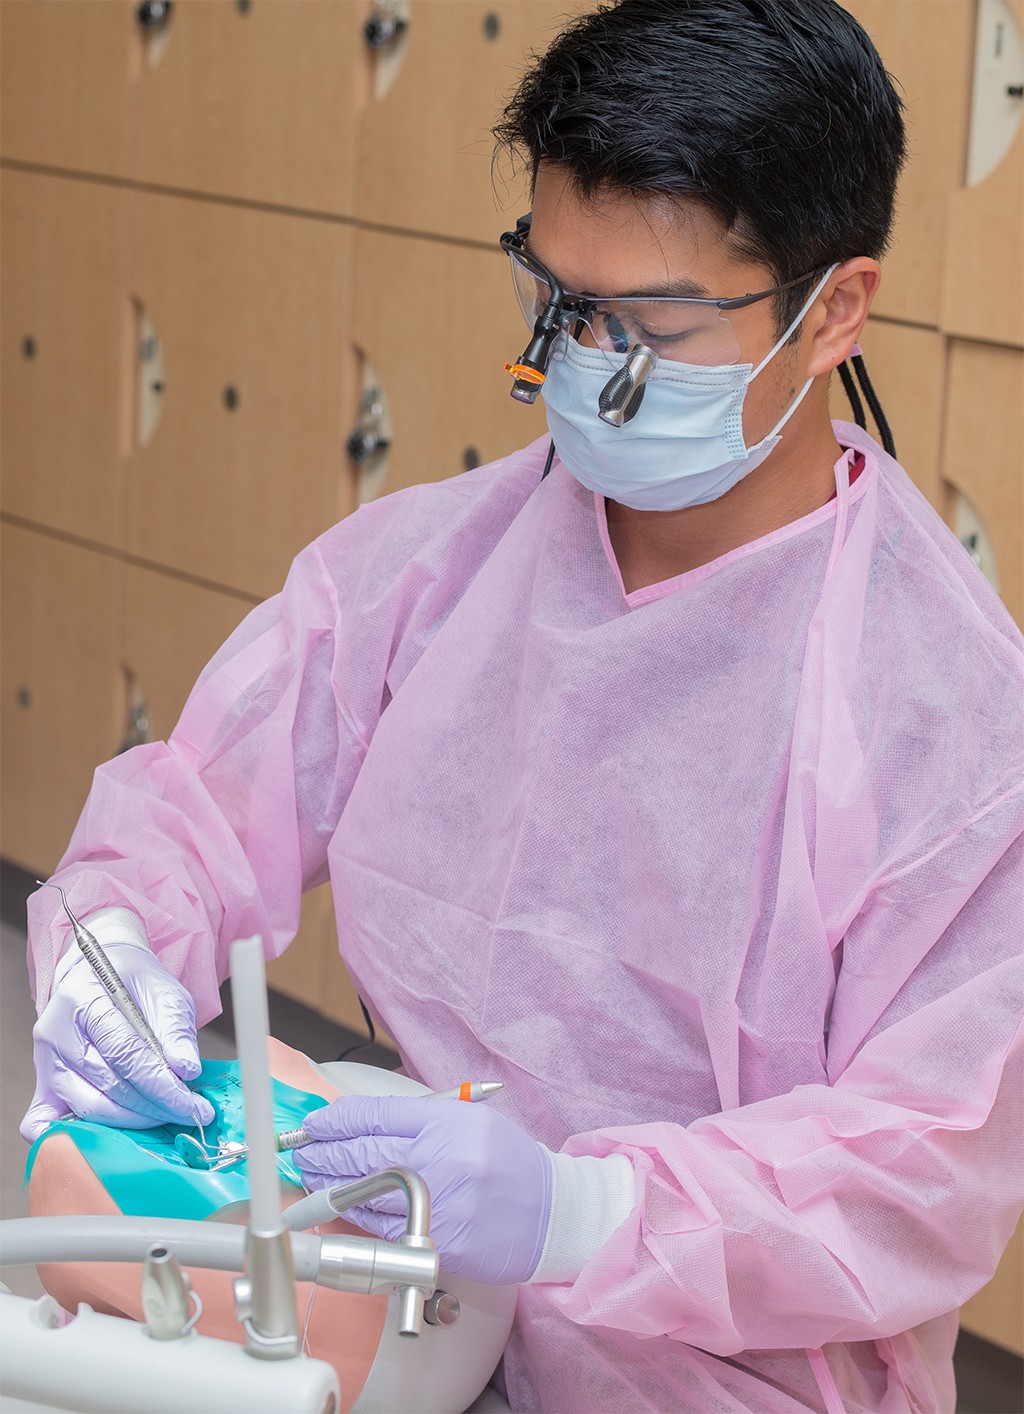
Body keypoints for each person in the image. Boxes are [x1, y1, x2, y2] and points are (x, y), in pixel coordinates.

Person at [21, 1, 1024, 1410]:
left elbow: (924, 1164)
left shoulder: (954, 721)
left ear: (834, 308)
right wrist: (109, 944)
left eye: (645, 322)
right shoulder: (441, 570)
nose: (576, 362)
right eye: (554, 298)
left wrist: (582, 1213)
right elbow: (201, 803)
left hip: (724, 1373)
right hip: (423, 1297)